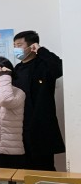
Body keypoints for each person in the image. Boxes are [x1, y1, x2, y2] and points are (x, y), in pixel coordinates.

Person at [12, 30, 64, 170]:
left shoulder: (44, 65)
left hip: (41, 127)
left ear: (31, 46)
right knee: (24, 169)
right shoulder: (17, 69)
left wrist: (41, 51)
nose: (16, 49)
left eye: (19, 45)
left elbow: (60, 68)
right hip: (21, 127)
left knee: (44, 168)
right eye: (14, 46)